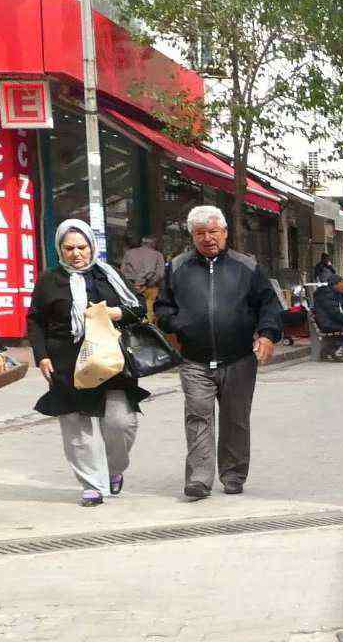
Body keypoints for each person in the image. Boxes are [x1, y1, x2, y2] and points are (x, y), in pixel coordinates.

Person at [154, 204, 284, 501]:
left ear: (224, 233)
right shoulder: (177, 267)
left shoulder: (247, 267)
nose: (208, 238)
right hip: (194, 360)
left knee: (235, 418)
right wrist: (177, 324)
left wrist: (267, 334)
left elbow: (269, 305)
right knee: (198, 417)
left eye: (213, 231)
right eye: (200, 233)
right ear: (192, 236)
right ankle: (199, 479)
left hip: (238, 358)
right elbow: (163, 307)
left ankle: (234, 474)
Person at [30, 219, 149, 506]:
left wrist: (115, 314)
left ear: (92, 247)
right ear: (60, 249)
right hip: (67, 362)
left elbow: (138, 308)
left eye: (81, 247)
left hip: (111, 362)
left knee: (120, 423)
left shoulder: (109, 276)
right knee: (76, 426)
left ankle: (114, 469)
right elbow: (35, 320)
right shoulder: (49, 280)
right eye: (68, 248)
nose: (76, 253)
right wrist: (42, 356)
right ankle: (92, 484)